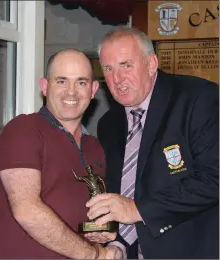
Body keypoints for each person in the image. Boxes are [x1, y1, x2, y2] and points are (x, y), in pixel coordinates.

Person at [85, 27, 219, 259]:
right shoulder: (108, 124)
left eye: (126, 65)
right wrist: (117, 242)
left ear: (151, 63)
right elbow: (122, 192)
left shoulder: (199, 98)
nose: (117, 79)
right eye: (108, 68)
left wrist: (137, 210)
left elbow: (214, 179)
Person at [0, 49, 123, 259]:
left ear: (93, 90)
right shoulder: (24, 129)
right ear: (45, 87)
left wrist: (97, 232)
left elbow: (78, 214)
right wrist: (94, 255)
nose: (71, 92)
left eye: (81, 82)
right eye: (61, 81)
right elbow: (27, 211)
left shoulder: (95, 147)